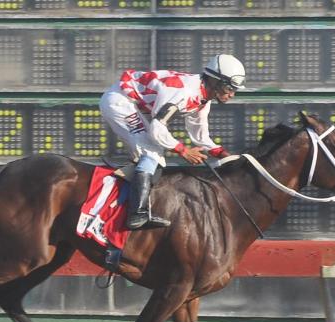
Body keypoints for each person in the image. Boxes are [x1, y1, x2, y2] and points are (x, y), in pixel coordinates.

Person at [99, 54, 246, 229]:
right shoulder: (183, 93)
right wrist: (183, 150)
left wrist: (223, 154)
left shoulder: (203, 99)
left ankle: (120, 193)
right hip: (120, 101)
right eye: (229, 87)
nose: (232, 94)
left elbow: (199, 136)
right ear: (215, 81)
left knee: (154, 157)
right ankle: (137, 215)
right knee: (153, 152)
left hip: (136, 105)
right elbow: (157, 129)